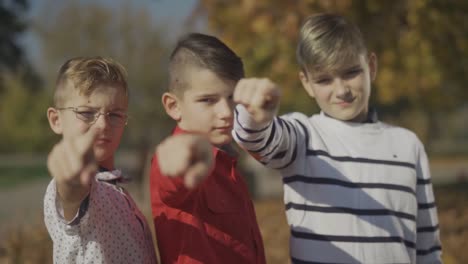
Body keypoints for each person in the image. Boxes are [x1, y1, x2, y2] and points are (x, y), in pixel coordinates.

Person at [233, 13, 442, 263]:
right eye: (324, 80)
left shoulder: (408, 145)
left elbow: (428, 248)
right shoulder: (303, 136)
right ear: (307, 83)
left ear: (371, 67)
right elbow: (261, 140)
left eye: (351, 72)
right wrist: (256, 118)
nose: (341, 90)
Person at [150, 33, 266, 264]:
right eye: (208, 100)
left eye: (232, 98)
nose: (226, 112)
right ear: (174, 106)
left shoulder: (226, 160)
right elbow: (171, 181)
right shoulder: (179, 158)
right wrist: (180, 161)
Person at [44, 57, 158, 263]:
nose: (103, 125)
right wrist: (70, 179)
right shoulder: (81, 188)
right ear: (56, 120)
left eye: (114, 115)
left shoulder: (113, 187)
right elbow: (71, 197)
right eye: (86, 113)